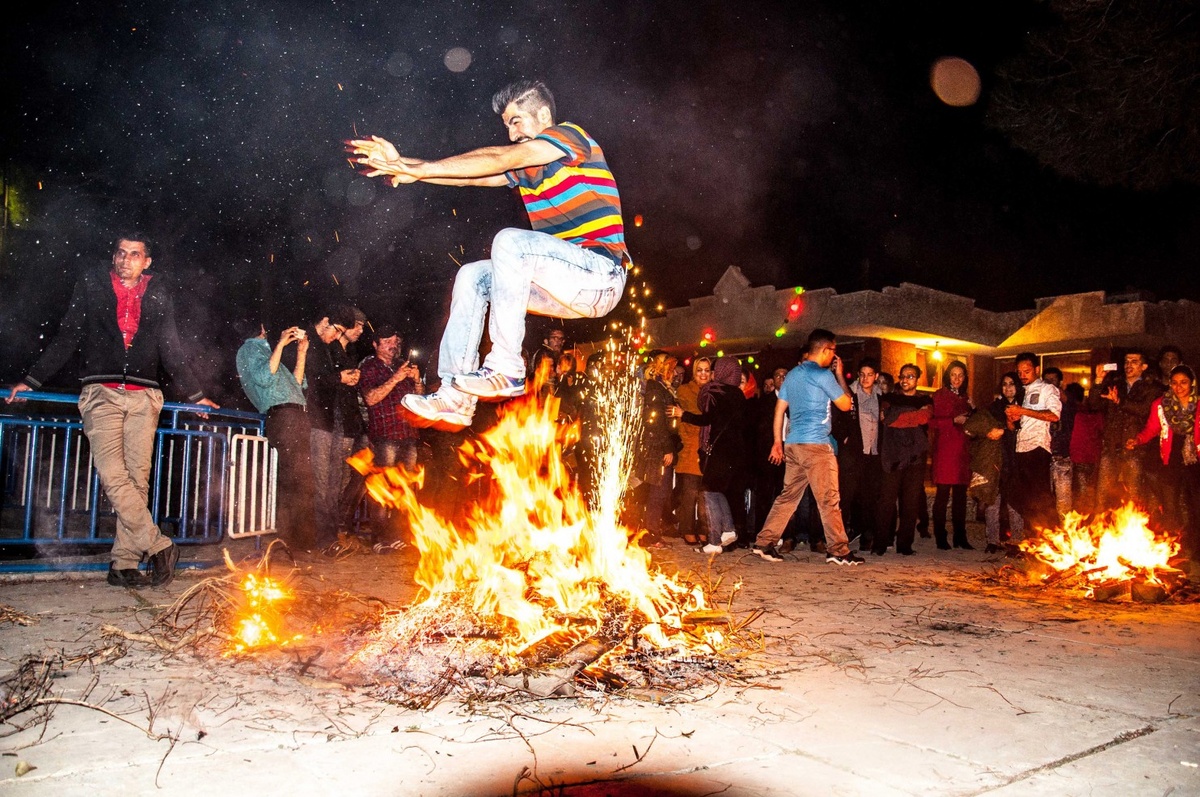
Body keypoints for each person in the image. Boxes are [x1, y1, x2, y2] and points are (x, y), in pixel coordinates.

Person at [348, 79, 629, 430]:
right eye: (508, 125)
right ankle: (455, 395)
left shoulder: (571, 138)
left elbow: (502, 156)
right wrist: (406, 167)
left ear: (543, 115)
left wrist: (419, 170)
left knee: (510, 242)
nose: (512, 134)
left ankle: (507, 366)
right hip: (563, 290)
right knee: (473, 276)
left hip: (601, 275)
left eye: (516, 121)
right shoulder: (525, 169)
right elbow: (473, 176)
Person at [6, 233, 218, 588]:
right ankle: (159, 544)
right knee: (112, 473)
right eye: (120, 253)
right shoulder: (92, 285)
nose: (125, 260)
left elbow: (171, 349)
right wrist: (32, 380)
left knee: (137, 481)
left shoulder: (159, 295)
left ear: (146, 261)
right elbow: (67, 335)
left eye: (134, 254)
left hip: (145, 396)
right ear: (114, 257)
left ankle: (123, 564)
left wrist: (196, 394)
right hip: (101, 391)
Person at [745, 329, 863, 565]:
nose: (834, 357)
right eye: (834, 351)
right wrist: (839, 375)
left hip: (794, 444)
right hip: (817, 446)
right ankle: (839, 551)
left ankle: (764, 543)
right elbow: (846, 404)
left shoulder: (792, 376)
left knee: (788, 496)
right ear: (826, 349)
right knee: (829, 499)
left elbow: (779, 410)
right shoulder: (823, 375)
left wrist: (778, 443)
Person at [235, 321, 318, 550]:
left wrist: (301, 353)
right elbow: (263, 377)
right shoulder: (249, 349)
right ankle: (290, 541)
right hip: (283, 417)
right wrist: (281, 344)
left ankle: (302, 541)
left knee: (301, 480)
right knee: (292, 480)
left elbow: (297, 384)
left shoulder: (266, 352)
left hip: (295, 415)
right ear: (261, 328)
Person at [667, 357, 748, 554]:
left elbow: (707, 419)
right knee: (717, 490)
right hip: (735, 451)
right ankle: (727, 531)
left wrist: (683, 414)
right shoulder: (738, 393)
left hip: (719, 450)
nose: (710, 374)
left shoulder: (715, 392)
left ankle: (717, 538)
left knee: (708, 490)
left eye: (713, 370)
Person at [355, 324, 424, 552]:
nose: (393, 345)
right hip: (385, 436)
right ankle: (379, 539)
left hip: (408, 435)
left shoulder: (401, 366)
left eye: (396, 341)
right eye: (387, 341)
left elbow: (419, 403)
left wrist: (416, 381)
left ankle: (398, 535)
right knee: (382, 487)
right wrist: (395, 378)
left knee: (404, 489)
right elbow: (371, 398)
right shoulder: (370, 366)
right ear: (375, 344)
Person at [1127, 364, 1200, 562]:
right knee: (1170, 506)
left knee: (1196, 507)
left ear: (1192, 383)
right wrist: (1139, 439)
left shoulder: (1199, 403)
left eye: (1184, 383)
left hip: (1196, 463)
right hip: (1172, 459)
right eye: (1174, 383)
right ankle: (1173, 548)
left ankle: (1196, 551)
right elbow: (1152, 428)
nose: (1179, 387)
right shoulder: (1161, 404)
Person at [304, 306, 361, 552]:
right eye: (336, 331)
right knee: (321, 481)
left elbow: (337, 376)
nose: (336, 337)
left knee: (335, 481)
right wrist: (339, 378)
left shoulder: (331, 346)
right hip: (318, 421)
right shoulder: (309, 342)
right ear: (325, 320)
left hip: (336, 421)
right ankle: (322, 539)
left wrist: (348, 376)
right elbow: (312, 381)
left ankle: (332, 537)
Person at [873, 364, 933, 556]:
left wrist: (902, 416)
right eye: (903, 376)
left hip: (915, 458)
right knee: (886, 501)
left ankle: (905, 544)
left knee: (911, 502)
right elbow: (888, 419)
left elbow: (925, 417)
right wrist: (912, 416)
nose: (906, 379)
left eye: (911, 376)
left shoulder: (925, 400)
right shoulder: (889, 398)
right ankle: (880, 543)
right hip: (892, 456)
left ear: (917, 379)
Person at [1005, 353, 1061, 531]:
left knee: (1040, 496)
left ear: (1037, 369)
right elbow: (1016, 425)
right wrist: (1011, 419)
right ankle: (1036, 536)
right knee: (1018, 495)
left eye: (1027, 371)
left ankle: (1053, 535)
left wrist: (1023, 410)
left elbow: (1053, 415)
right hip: (1021, 447)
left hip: (1038, 447)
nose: (1022, 375)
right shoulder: (1022, 391)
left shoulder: (1047, 389)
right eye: (1020, 372)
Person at [834, 358, 882, 553]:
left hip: (872, 454)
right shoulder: (851, 393)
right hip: (854, 454)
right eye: (862, 374)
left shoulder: (880, 396)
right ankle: (839, 539)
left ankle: (866, 537)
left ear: (876, 376)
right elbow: (838, 417)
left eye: (870, 374)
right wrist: (844, 438)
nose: (865, 378)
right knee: (846, 497)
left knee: (868, 498)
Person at [929, 360, 973, 549]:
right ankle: (940, 536)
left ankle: (960, 537)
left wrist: (973, 408)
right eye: (953, 375)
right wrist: (953, 420)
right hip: (946, 451)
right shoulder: (939, 395)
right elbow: (931, 422)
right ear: (948, 376)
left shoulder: (966, 398)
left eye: (960, 375)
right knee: (942, 495)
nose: (957, 379)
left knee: (961, 497)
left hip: (962, 452)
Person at [674, 358, 713, 546]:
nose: (703, 374)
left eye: (706, 370)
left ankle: (703, 529)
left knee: (705, 493)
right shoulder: (685, 390)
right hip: (691, 447)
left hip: (708, 449)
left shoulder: (713, 391)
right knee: (690, 491)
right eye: (699, 370)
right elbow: (687, 419)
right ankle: (687, 529)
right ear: (694, 372)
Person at [990, 372, 1026, 548]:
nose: (1008, 388)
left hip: (1018, 458)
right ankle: (993, 541)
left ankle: (1017, 541)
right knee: (994, 501)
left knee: (1015, 501)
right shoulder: (996, 407)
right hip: (998, 457)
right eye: (1004, 384)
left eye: (1012, 384)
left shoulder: (1026, 405)